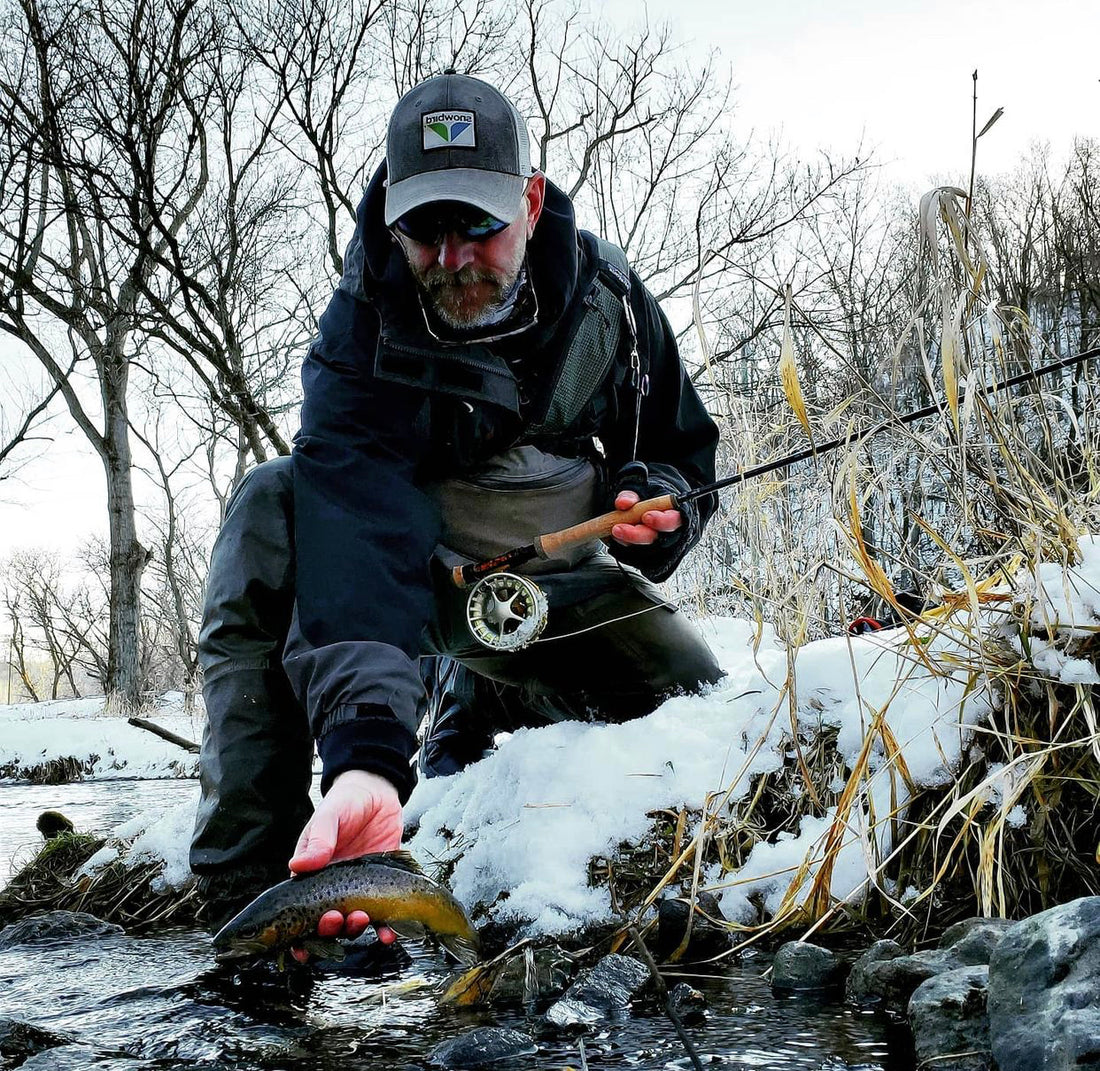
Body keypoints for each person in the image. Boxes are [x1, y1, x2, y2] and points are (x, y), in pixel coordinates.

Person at [189, 73, 724, 945]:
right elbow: (355, 545)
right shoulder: (358, 336)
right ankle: (248, 899)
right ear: (391, 218)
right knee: (269, 501)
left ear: (531, 198)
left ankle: (486, 705)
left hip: (568, 591)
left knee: (704, 718)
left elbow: (686, 456)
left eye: (478, 222)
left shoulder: (612, 307)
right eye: (424, 228)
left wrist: (660, 504)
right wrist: (365, 763)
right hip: (421, 591)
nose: (452, 256)